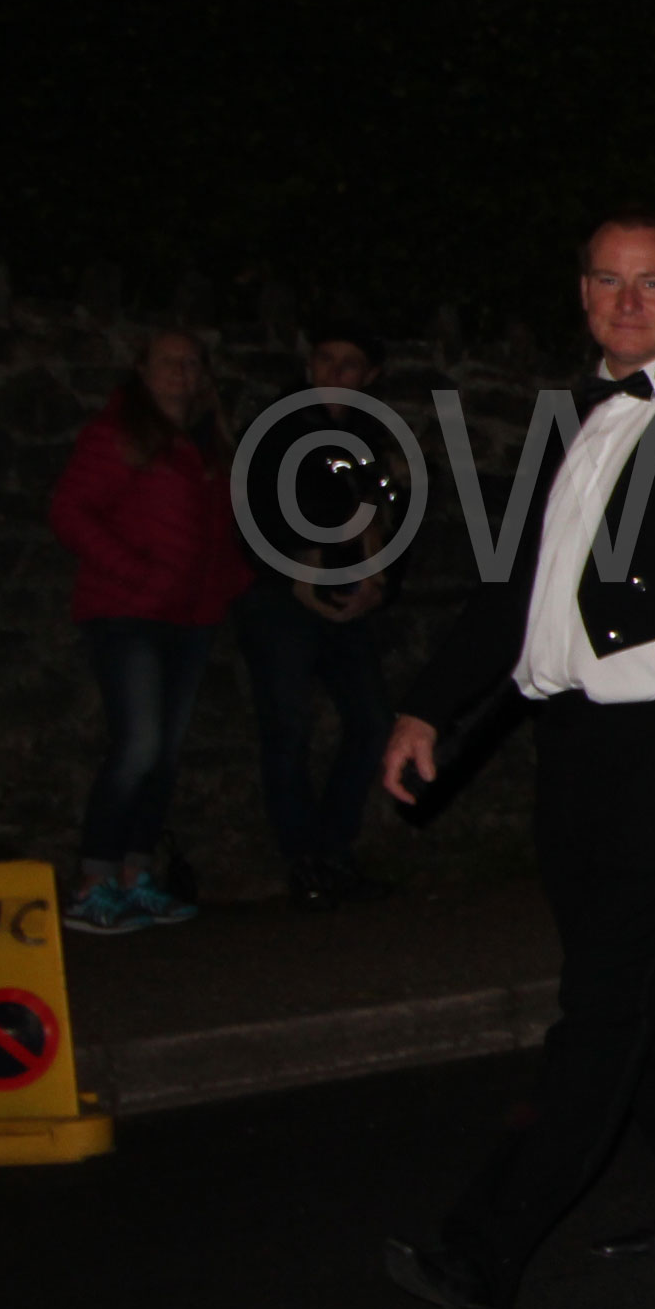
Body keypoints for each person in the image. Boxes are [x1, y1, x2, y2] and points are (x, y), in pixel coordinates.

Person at [377, 218, 655, 1309]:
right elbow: (510, 590)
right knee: (643, 984)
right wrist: (429, 705)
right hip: (570, 744)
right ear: (582, 294)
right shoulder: (565, 419)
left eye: (651, 282)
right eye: (610, 281)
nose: (629, 301)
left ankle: (486, 1248)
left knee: (606, 1000)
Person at [48, 328, 248, 936]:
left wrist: (229, 584)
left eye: (191, 363)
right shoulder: (117, 436)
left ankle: (135, 875)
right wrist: (135, 571)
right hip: (128, 612)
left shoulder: (209, 443)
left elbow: (218, 532)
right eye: (169, 362)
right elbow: (69, 512)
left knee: (163, 753)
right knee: (137, 745)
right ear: (142, 368)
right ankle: (93, 881)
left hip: (190, 615)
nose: (182, 373)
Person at [231, 325, 406, 910]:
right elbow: (255, 508)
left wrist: (377, 584)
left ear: (369, 376)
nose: (334, 372)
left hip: (343, 599)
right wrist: (294, 572)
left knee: (372, 723)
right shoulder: (276, 427)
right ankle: (305, 859)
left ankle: (332, 850)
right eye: (326, 359)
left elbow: (383, 516)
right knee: (287, 728)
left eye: (349, 363)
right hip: (280, 601)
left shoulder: (368, 438)